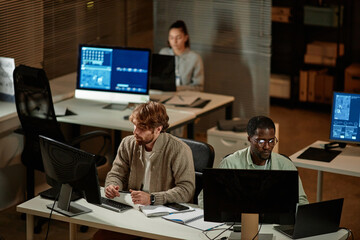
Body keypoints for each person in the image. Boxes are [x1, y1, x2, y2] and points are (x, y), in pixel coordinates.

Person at [93, 101, 195, 240]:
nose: (135, 132)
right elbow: (116, 173)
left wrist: (152, 198)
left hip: (163, 216)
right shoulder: (128, 143)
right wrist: (112, 185)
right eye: (134, 125)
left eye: (142, 128)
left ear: (158, 129)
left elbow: (186, 190)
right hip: (132, 213)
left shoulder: (179, 150)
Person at [198, 116, 309, 208]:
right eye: (261, 141)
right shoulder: (230, 163)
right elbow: (205, 197)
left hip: (275, 224)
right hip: (238, 224)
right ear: (249, 139)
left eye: (271, 141)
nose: (267, 147)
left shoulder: (286, 165)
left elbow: (302, 201)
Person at [159, 20, 204, 91]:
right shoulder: (163, 53)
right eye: (171, 38)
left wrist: (179, 88)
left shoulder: (195, 58)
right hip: (165, 94)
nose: (174, 41)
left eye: (178, 38)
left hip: (187, 96)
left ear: (186, 38)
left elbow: (199, 87)